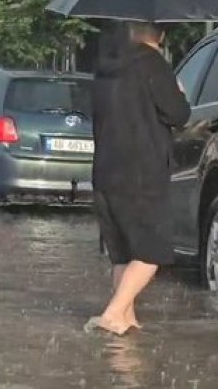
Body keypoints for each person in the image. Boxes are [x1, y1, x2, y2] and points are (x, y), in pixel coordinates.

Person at [86, 21, 191, 335]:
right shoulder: (154, 65)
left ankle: (126, 321)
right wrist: (179, 93)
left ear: (131, 32)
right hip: (141, 173)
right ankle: (112, 314)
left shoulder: (104, 68)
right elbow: (178, 115)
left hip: (105, 171)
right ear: (160, 36)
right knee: (149, 253)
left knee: (123, 253)